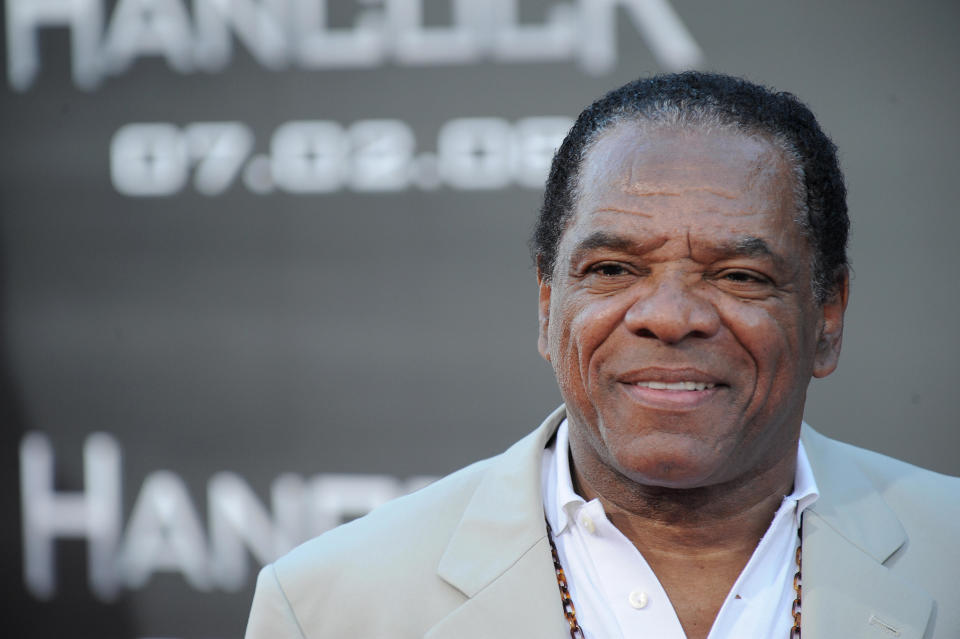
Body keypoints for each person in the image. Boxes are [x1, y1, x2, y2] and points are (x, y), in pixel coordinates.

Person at [245, 72, 959, 639]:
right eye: (614, 269)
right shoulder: (330, 607)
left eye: (739, 276)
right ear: (548, 303)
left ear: (827, 315)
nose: (671, 317)